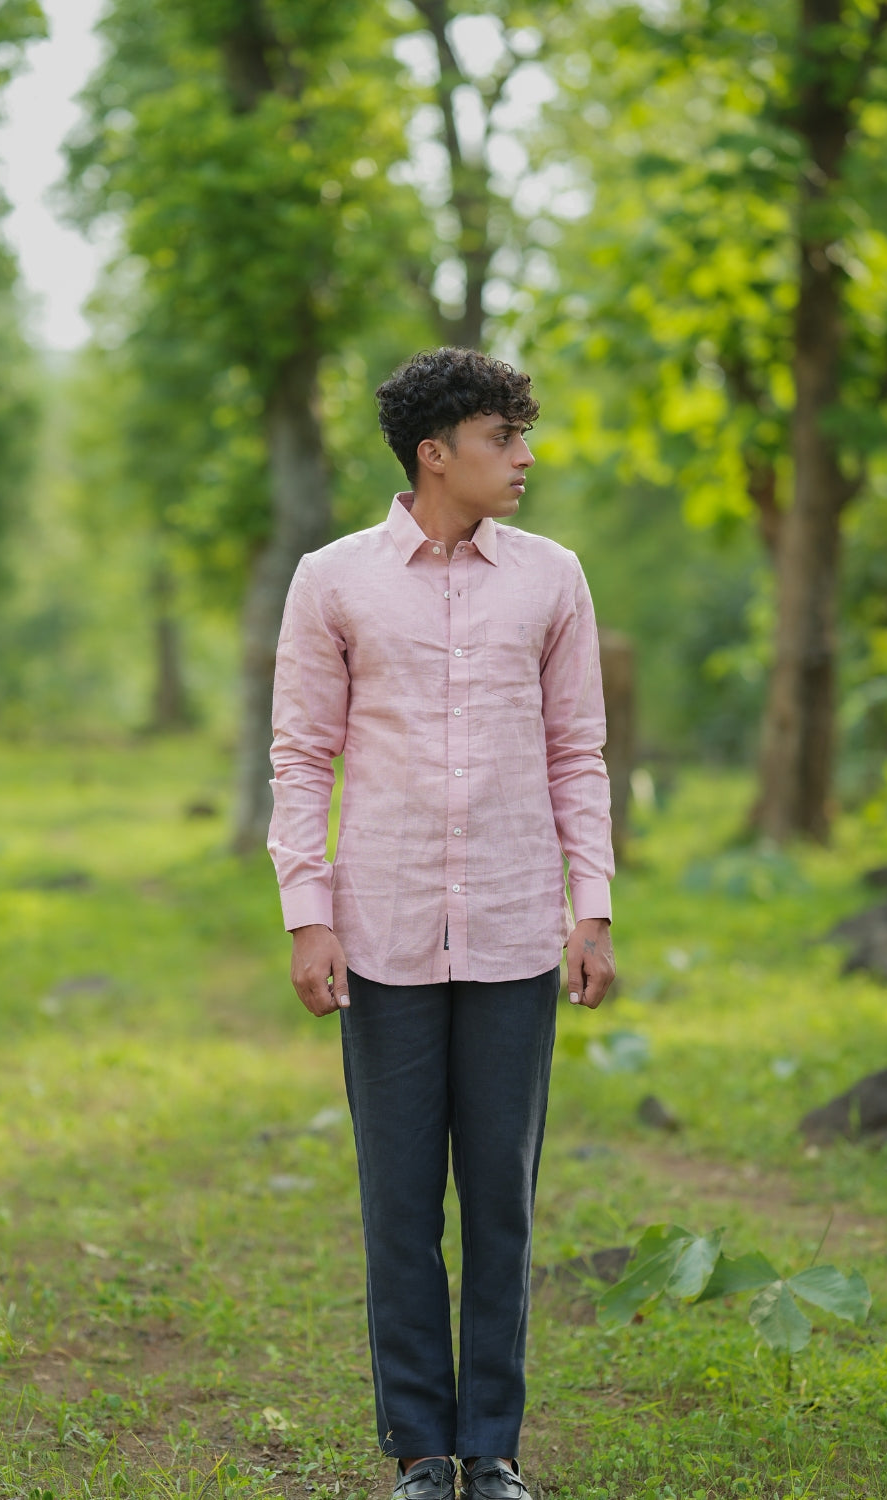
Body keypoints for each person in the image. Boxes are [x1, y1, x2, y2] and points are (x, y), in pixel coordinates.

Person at [267, 347, 616, 1500]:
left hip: (518, 927)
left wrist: (592, 905)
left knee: (502, 1209)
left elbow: (579, 752)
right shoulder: (334, 579)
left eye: (523, 437)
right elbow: (302, 753)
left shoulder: (553, 578)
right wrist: (307, 915)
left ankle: (493, 1449)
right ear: (435, 454)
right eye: (502, 438)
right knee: (401, 1208)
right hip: (385, 932)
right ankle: (419, 1451)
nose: (525, 458)